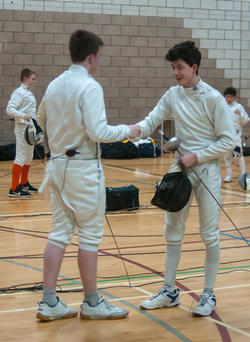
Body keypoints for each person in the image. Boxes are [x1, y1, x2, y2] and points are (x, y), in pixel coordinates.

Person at [36, 29, 140, 321]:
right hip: (82, 169)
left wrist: (52, 144)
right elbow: (99, 132)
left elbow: (38, 122)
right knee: (90, 236)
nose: (98, 63)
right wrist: (129, 131)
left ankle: (48, 302)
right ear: (92, 56)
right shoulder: (90, 86)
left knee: (58, 233)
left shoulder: (55, 84)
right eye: (99, 58)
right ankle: (92, 303)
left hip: (56, 167)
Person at [137, 41, 236, 317]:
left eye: (179, 67)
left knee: (209, 235)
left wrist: (199, 155)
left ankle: (208, 294)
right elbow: (150, 121)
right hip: (181, 170)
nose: (175, 73)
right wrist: (121, 130)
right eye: (172, 68)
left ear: (194, 67)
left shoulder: (214, 99)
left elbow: (229, 142)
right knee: (172, 232)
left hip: (206, 172)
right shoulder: (172, 94)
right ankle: (169, 290)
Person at [6, 68, 39, 197]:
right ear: (25, 79)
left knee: (29, 156)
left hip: (30, 128)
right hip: (21, 128)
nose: (35, 81)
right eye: (33, 79)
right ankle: (14, 188)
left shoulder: (28, 93)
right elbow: (10, 109)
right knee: (20, 156)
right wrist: (22, 115)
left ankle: (24, 183)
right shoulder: (19, 92)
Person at [223, 87, 249, 182]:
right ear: (225, 97)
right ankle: (229, 175)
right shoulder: (222, 107)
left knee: (238, 155)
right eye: (227, 97)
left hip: (236, 136)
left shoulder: (239, 107)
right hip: (225, 136)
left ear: (234, 97)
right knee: (227, 156)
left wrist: (240, 114)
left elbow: (246, 121)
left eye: (231, 97)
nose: (229, 99)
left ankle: (243, 174)